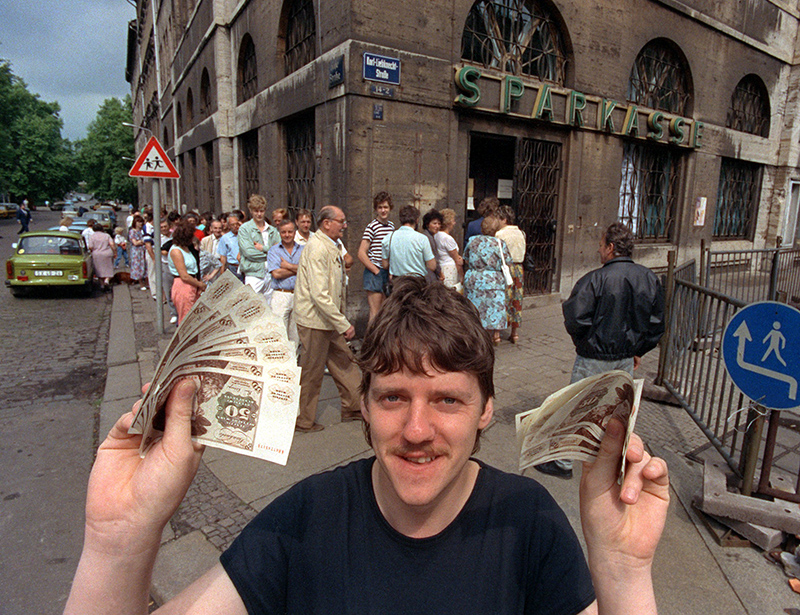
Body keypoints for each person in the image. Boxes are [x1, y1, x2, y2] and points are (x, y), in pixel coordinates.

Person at [64, 276, 670, 615]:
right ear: (367, 402)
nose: (415, 430)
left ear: (487, 408)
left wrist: (622, 572)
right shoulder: (305, 519)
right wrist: (120, 538)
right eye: (392, 398)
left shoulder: (528, 521)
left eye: (447, 400)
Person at [537, 222, 665, 480]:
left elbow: (575, 318)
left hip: (595, 356)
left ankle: (563, 462)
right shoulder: (649, 278)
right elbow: (656, 324)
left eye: (601, 244)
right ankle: (611, 462)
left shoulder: (595, 279)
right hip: (625, 357)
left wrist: (587, 343)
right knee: (616, 412)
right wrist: (637, 349)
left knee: (579, 407)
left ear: (610, 247)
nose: (598, 249)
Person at [293, 205, 362, 432]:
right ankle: (303, 420)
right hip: (315, 320)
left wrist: (338, 320)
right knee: (312, 371)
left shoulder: (330, 245)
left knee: (344, 361)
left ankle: (354, 407)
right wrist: (343, 323)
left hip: (328, 319)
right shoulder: (317, 248)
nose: (344, 225)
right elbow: (319, 294)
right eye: (340, 221)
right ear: (326, 223)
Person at [463, 215, 513, 345]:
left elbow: (466, 258)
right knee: (494, 306)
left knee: (475, 306)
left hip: (475, 278)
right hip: (493, 280)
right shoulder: (499, 243)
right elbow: (508, 262)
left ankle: (475, 332)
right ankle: (495, 335)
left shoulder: (472, 241)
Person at [357, 192, 394, 322]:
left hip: (386, 272)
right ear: (376, 209)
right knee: (375, 313)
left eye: (385, 207)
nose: (383, 210)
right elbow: (361, 253)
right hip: (375, 272)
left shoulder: (391, 227)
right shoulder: (371, 227)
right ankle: (370, 342)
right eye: (380, 207)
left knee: (385, 312)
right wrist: (375, 270)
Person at [267, 219, 303, 348]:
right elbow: (276, 274)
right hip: (281, 294)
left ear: (295, 232)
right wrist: (297, 269)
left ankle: (293, 364)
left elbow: (307, 270)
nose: (287, 235)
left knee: (295, 334)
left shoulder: (303, 249)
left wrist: (287, 266)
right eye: (283, 232)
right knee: (279, 331)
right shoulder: (274, 251)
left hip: (299, 294)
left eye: (290, 232)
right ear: (279, 233)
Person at [237, 195, 280, 297]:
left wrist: (263, 248)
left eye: (261, 211)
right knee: (251, 304)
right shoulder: (245, 229)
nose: (259, 214)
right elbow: (249, 253)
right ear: (251, 211)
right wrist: (271, 253)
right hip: (253, 273)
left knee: (270, 306)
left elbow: (279, 251)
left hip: (271, 273)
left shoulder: (272, 230)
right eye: (256, 211)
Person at [495, 205, 526, 344]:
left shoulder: (500, 234)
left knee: (502, 299)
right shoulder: (521, 233)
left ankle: (496, 333)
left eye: (498, 219)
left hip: (505, 268)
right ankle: (514, 333)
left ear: (504, 219)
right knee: (516, 299)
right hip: (519, 268)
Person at [381, 204, 436, 280]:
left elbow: (385, 265)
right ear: (417, 220)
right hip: (417, 283)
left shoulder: (388, 238)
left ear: (400, 220)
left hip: (397, 282)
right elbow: (432, 266)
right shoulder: (422, 239)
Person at [169, 221, 206, 323]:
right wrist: (200, 284)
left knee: (195, 317)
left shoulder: (187, 248)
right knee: (187, 319)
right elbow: (184, 275)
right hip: (183, 285)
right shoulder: (176, 251)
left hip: (192, 283)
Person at [435, 207, 464, 290]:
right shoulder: (447, 239)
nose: (454, 223)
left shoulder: (435, 236)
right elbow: (456, 259)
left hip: (440, 267)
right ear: (448, 223)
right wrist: (462, 276)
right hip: (449, 269)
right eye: (453, 220)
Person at [86, 222, 115, 291]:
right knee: (109, 267)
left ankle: (102, 285)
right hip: (107, 253)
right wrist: (115, 252)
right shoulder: (106, 235)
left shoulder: (92, 236)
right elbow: (112, 244)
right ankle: (107, 280)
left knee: (99, 269)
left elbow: (90, 247)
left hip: (97, 254)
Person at [217, 211, 243, 281]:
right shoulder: (225, 238)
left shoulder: (244, 235)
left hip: (245, 267)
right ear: (228, 226)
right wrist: (222, 273)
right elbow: (223, 256)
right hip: (233, 267)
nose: (235, 226)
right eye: (232, 225)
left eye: (237, 224)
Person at [420, 209, 444, 284]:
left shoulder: (429, 236)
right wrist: (440, 273)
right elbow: (433, 258)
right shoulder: (427, 238)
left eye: (439, 224)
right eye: (434, 223)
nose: (437, 226)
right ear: (427, 224)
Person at [129, 215, 147, 287]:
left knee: (145, 266)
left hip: (143, 250)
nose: (140, 224)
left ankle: (146, 282)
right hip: (136, 251)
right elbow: (135, 243)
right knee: (138, 266)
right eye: (138, 222)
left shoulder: (142, 230)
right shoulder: (132, 231)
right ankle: (141, 284)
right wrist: (142, 241)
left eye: (141, 222)